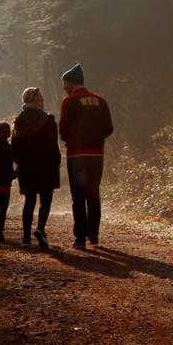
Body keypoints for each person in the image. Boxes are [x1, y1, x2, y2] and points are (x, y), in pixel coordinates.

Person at [58, 62, 113, 250]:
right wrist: (96, 140)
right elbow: (109, 128)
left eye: (64, 83)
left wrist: (71, 141)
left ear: (71, 83)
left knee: (78, 197)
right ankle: (94, 236)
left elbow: (63, 128)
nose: (63, 87)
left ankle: (80, 238)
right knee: (93, 193)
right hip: (97, 155)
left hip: (76, 155)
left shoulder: (69, 101)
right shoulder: (100, 100)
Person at [11, 86, 61, 249]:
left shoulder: (18, 120)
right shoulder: (48, 119)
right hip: (45, 165)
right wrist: (57, 162)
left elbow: (15, 149)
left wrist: (20, 164)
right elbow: (54, 146)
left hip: (26, 167)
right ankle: (40, 229)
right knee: (46, 200)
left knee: (29, 201)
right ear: (36, 100)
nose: (43, 100)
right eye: (41, 97)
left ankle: (26, 238)